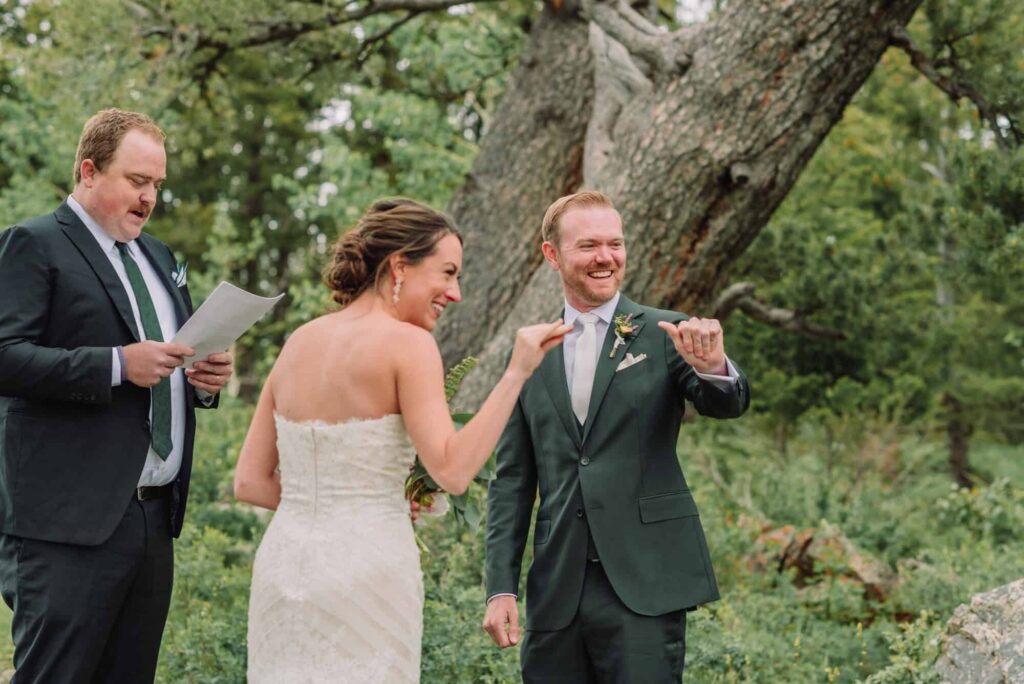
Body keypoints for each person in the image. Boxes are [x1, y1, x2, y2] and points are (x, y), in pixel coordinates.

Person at [234, 198, 570, 683]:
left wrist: (331, 506)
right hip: (367, 574)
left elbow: (248, 481)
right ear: (399, 267)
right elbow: (452, 472)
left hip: (283, 572)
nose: (455, 293)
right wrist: (516, 372)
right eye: (447, 273)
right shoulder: (408, 345)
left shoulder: (299, 342)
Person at [0, 108, 234, 682]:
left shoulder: (158, 257)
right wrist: (114, 365)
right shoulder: (33, 243)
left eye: (157, 184)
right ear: (88, 171)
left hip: (152, 522)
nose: (150, 197)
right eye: (137, 181)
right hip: (67, 527)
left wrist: (204, 380)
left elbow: (171, 356)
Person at [482, 191, 751, 682]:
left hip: (645, 584)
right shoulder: (530, 350)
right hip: (556, 591)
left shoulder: (664, 332)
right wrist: (500, 587)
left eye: (615, 244)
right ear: (552, 255)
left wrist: (713, 367)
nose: (605, 257)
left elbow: (725, 404)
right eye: (588, 245)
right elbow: (512, 482)